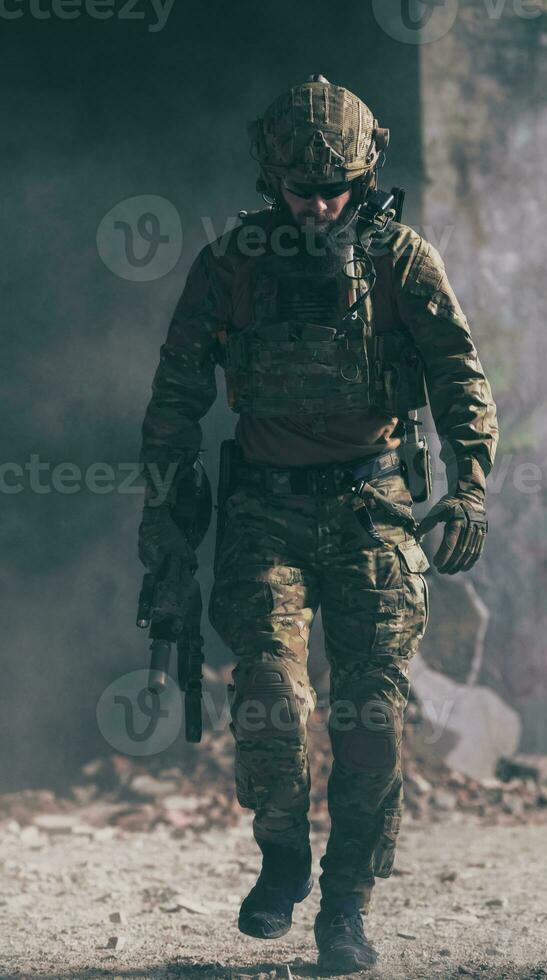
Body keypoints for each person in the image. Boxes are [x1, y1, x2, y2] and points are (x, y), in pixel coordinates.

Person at [138, 74, 499, 973]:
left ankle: (347, 904)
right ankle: (284, 853)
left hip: (374, 509)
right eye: (304, 189)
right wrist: (167, 515)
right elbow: (176, 397)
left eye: (337, 186)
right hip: (265, 512)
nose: (322, 203)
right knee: (270, 697)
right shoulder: (232, 265)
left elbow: (458, 374)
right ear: (272, 179)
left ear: (365, 172)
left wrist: (471, 485)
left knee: (373, 712)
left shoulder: (400, 259)